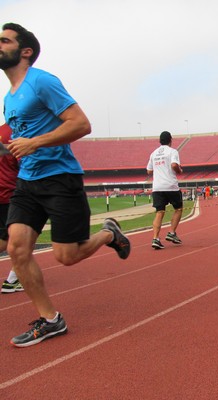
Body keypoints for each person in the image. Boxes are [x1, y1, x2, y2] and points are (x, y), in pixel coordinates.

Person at [0, 22, 130, 347]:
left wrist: (34, 143)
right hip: (27, 181)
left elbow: (81, 124)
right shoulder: (9, 98)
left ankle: (108, 233)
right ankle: (51, 320)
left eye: (4, 40)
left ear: (25, 51)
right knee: (16, 248)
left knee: (67, 256)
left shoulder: (41, 81)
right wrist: (19, 148)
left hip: (60, 177)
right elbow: (21, 139)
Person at [146, 131, 183, 249]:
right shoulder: (173, 151)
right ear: (170, 140)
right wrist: (179, 170)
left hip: (157, 187)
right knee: (178, 208)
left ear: (160, 140)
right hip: (170, 186)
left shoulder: (153, 153)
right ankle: (172, 233)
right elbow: (173, 165)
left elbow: (149, 171)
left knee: (159, 212)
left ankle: (155, 238)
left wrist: (158, 169)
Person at [0, 123, 23, 293]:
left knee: (6, 238)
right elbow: (24, 165)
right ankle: (13, 280)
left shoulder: (1, 132)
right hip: (11, 193)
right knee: (22, 239)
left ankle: (14, 279)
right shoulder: (19, 133)